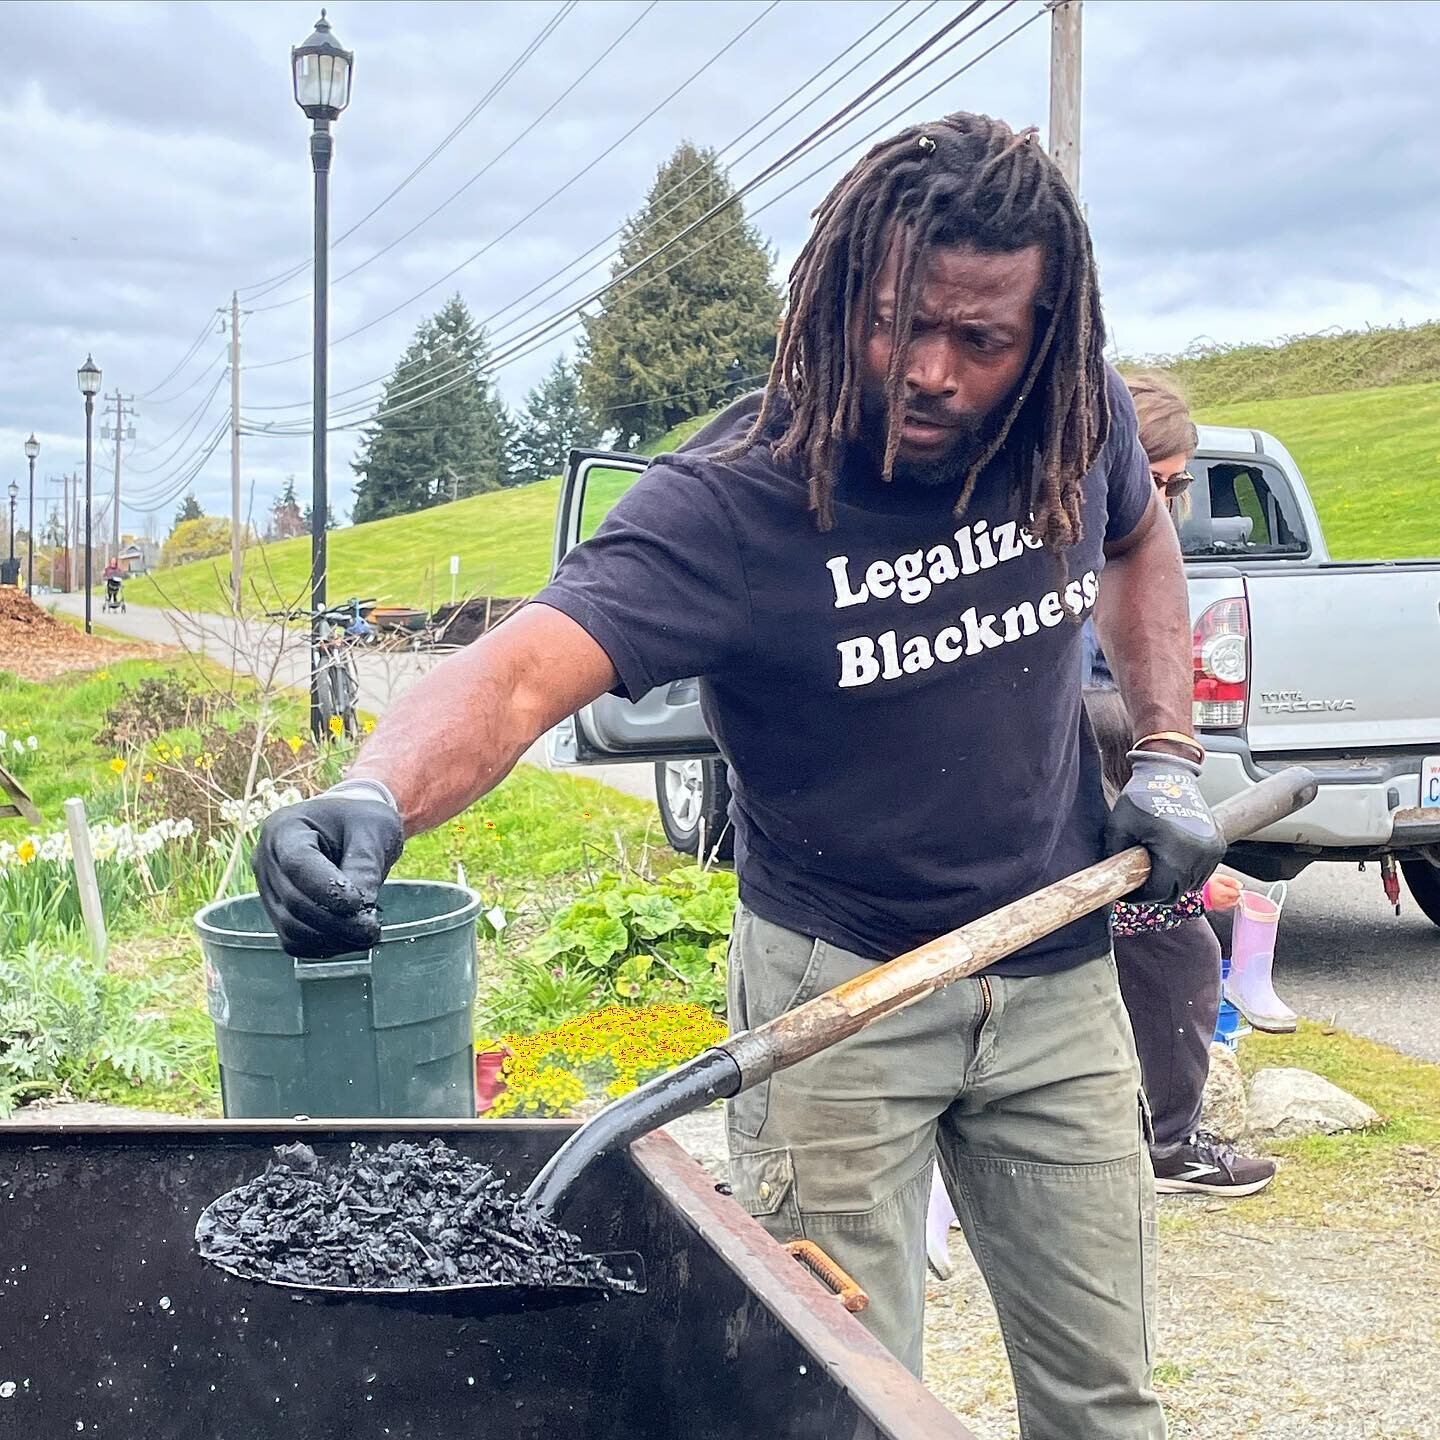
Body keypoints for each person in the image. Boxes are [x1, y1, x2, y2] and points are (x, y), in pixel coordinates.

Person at [252, 113, 1225, 1439]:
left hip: (1056, 971)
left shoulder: (1074, 412)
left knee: (1105, 1400)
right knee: (836, 1395)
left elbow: (1135, 537)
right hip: (837, 993)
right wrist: (372, 795)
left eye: (981, 341)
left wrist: (1167, 751)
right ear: (837, 299)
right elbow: (524, 673)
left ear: (1044, 334)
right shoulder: (737, 499)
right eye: (897, 325)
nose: (933, 372)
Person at [1086, 684, 1276, 1197]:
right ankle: (1171, 1147)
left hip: (1126, 955)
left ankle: (1145, 1138)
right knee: (1172, 1045)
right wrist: (1196, 896)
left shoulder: (1089, 817)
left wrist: (1201, 884)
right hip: (1164, 956)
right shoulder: (1125, 820)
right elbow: (1142, 891)